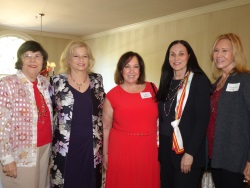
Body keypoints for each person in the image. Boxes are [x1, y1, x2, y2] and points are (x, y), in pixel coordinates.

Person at [50, 40, 105, 188]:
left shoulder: (97, 80)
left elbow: (103, 110)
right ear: (68, 59)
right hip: (66, 147)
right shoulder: (56, 81)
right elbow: (47, 113)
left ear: (89, 59)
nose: (81, 60)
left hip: (92, 146)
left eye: (85, 56)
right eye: (76, 56)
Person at [157, 40, 211, 188]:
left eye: (181, 54)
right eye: (172, 54)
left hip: (186, 152)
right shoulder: (166, 81)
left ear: (189, 56)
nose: (176, 58)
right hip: (166, 152)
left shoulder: (199, 80)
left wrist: (190, 153)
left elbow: (202, 120)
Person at [102, 51, 160, 188]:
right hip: (121, 150)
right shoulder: (112, 95)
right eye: (127, 66)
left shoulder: (152, 89)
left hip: (148, 149)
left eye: (136, 66)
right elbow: (106, 127)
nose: (131, 71)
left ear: (141, 70)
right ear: (121, 69)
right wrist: (105, 154)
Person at [0, 40, 52, 188]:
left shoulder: (44, 83)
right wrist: (5, 157)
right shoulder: (7, 83)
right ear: (20, 60)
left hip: (44, 147)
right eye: (27, 55)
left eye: (37, 56)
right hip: (21, 152)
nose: (32, 60)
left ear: (43, 61)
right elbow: (1, 123)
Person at [207, 33, 250, 188]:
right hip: (215, 155)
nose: (219, 55)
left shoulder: (245, 80)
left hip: (235, 157)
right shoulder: (215, 85)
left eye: (224, 51)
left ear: (235, 53)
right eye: (216, 50)